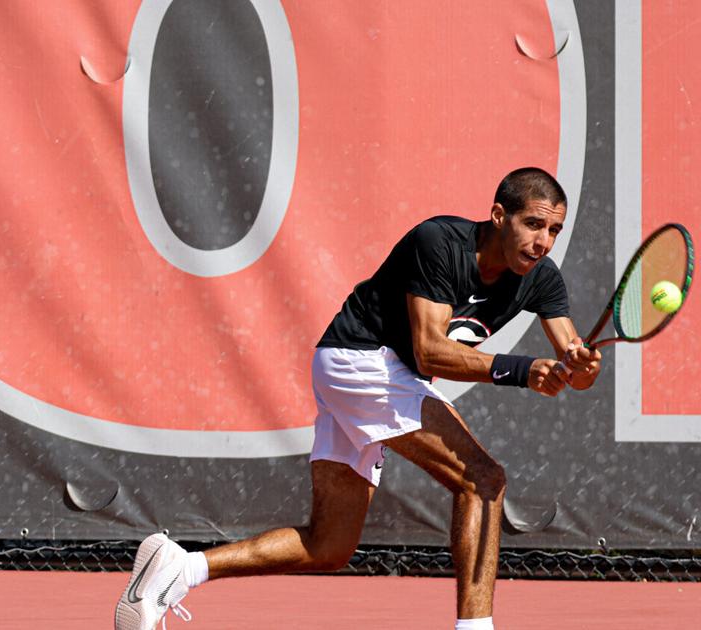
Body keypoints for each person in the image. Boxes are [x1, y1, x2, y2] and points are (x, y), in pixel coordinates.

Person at [113, 167, 604, 630]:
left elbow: (572, 361)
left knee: (328, 544)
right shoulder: (439, 242)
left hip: (370, 375)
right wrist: (523, 370)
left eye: (554, 230)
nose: (543, 241)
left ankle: (179, 568)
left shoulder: (542, 278)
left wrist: (581, 368)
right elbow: (430, 350)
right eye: (533, 224)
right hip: (362, 360)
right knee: (483, 480)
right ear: (500, 216)